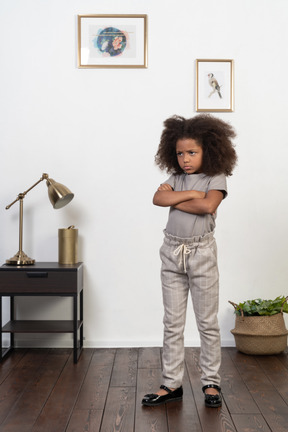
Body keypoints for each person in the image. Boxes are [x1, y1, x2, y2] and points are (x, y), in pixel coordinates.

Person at [142, 114, 237, 408]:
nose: (185, 158)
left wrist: (181, 197)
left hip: (201, 253)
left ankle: (211, 382)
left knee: (207, 322)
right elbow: (157, 199)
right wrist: (192, 194)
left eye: (192, 152)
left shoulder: (215, 176)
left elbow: (209, 205)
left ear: (208, 149)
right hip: (171, 252)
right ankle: (171, 383)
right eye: (180, 153)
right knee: (172, 322)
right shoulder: (176, 177)